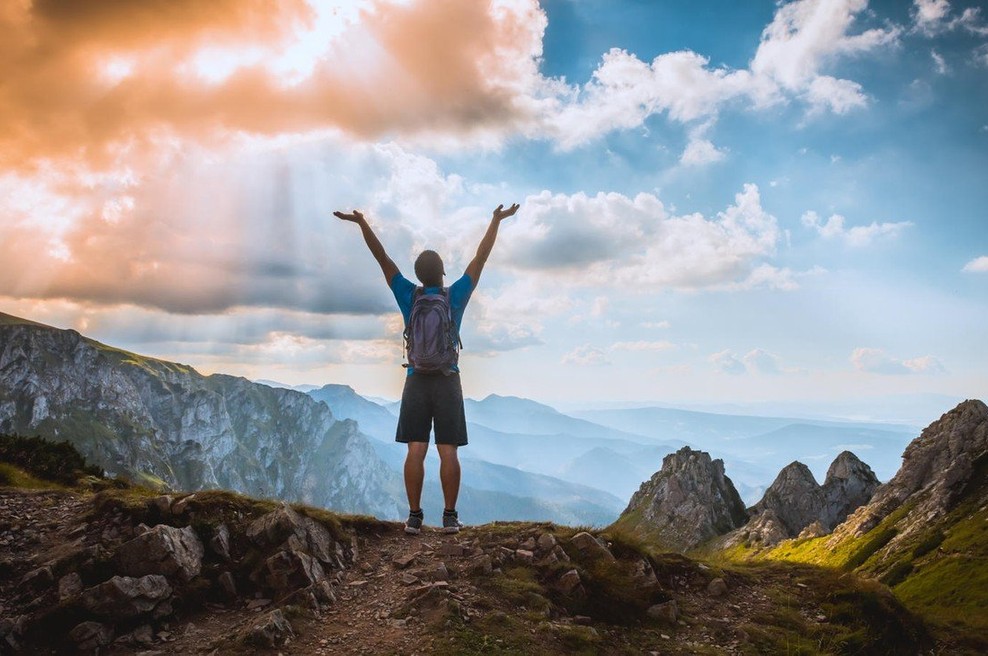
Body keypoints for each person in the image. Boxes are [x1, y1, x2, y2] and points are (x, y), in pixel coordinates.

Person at [333, 203, 520, 534]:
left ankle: (415, 517)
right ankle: (450, 518)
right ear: (443, 273)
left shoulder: (408, 294)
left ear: (418, 275)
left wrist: (361, 223)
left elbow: (383, 259)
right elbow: (481, 258)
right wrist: (495, 221)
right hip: (448, 380)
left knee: (415, 450)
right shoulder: (456, 295)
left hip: (415, 379)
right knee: (449, 453)